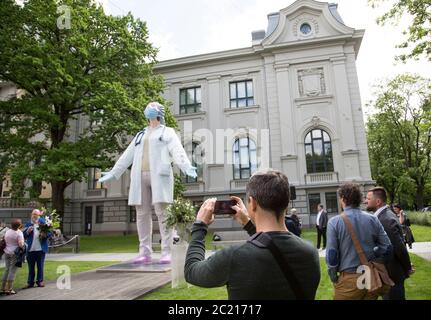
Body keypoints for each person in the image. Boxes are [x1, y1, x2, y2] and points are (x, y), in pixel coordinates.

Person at [184, 169, 320, 300]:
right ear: (286, 202)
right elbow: (272, 245)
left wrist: (200, 226)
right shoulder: (310, 252)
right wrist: (247, 223)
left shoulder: (235, 257)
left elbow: (191, 271)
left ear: (253, 203)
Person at [99, 102, 197, 264]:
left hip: (160, 176)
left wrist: (186, 166)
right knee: (142, 214)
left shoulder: (167, 132)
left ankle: (167, 251)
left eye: (152, 106)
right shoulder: (140, 134)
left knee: (163, 213)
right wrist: (114, 172)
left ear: (159, 112)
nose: (148, 108)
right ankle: (144, 251)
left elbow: (177, 150)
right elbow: (127, 155)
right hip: (139, 177)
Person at [326, 183, 392, 300]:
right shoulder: (373, 219)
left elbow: (332, 255)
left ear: (343, 198)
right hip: (371, 277)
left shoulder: (334, 222)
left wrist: (333, 277)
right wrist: (374, 253)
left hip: (349, 279)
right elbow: (387, 246)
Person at [365, 187, 414, 300]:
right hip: (388, 274)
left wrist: (407, 267)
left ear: (378, 202)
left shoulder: (385, 220)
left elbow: (399, 248)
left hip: (391, 275)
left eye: (368, 198)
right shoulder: (383, 216)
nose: (365, 201)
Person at [22, 209, 52, 289]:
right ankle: (30, 282)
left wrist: (44, 235)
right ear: (31, 215)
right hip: (30, 249)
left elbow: (50, 233)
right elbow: (23, 235)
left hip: (40, 249)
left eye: (36, 214)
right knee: (31, 267)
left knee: (40, 266)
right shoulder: (28, 224)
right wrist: (27, 232)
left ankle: (40, 281)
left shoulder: (43, 223)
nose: (34, 216)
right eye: (33, 214)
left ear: (39, 216)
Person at [1, 219, 25, 295]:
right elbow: (21, 245)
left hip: (6, 252)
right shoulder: (19, 233)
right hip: (14, 253)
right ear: (19, 225)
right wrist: (24, 244)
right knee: (12, 271)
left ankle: (2, 288)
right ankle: (9, 289)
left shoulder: (7, 231)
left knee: (7, 270)